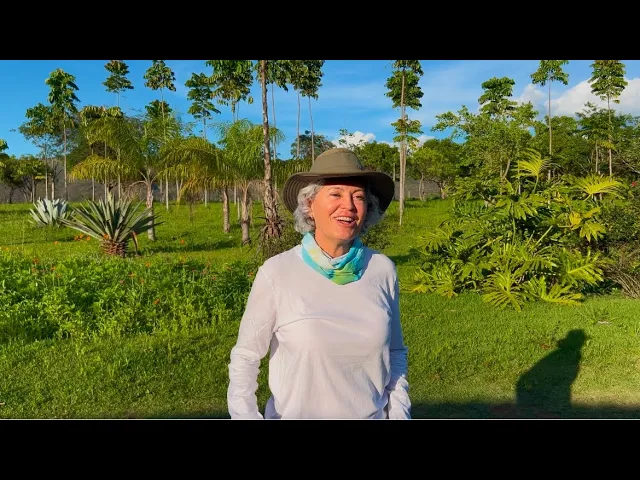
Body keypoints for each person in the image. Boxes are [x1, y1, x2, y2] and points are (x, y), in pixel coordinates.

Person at [226, 147, 411, 419]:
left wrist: (399, 414)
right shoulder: (277, 273)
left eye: (358, 196)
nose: (349, 206)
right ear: (309, 204)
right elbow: (245, 357)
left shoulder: (381, 270)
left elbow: (395, 353)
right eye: (336, 194)